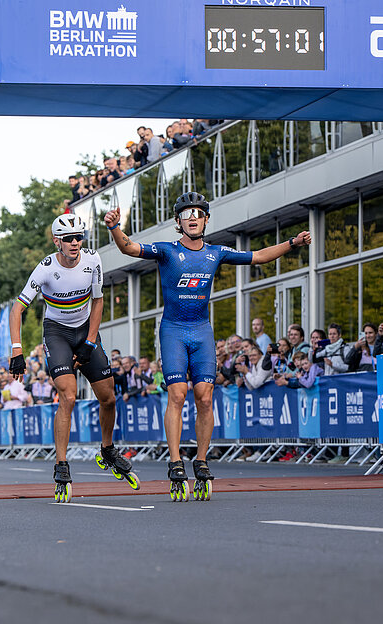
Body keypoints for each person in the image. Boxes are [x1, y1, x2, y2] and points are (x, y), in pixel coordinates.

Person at [104, 191, 311, 501]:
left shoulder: (216, 252)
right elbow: (129, 248)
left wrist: (292, 243)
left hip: (201, 331)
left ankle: (200, 460)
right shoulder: (167, 251)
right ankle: (175, 462)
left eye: (198, 213)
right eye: (187, 214)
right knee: (177, 393)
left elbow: (259, 255)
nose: (193, 218)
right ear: (178, 222)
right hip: (173, 330)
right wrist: (115, 227)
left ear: (205, 219)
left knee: (205, 395)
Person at [9, 213, 138, 503]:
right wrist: (17, 348)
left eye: (79, 237)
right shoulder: (44, 269)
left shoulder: (93, 260)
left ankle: (107, 450)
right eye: (68, 239)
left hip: (84, 329)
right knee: (67, 396)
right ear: (57, 241)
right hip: (57, 332)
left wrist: (91, 341)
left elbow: (98, 300)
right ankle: (62, 464)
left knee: (109, 398)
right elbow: (17, 308)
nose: (75, 243)